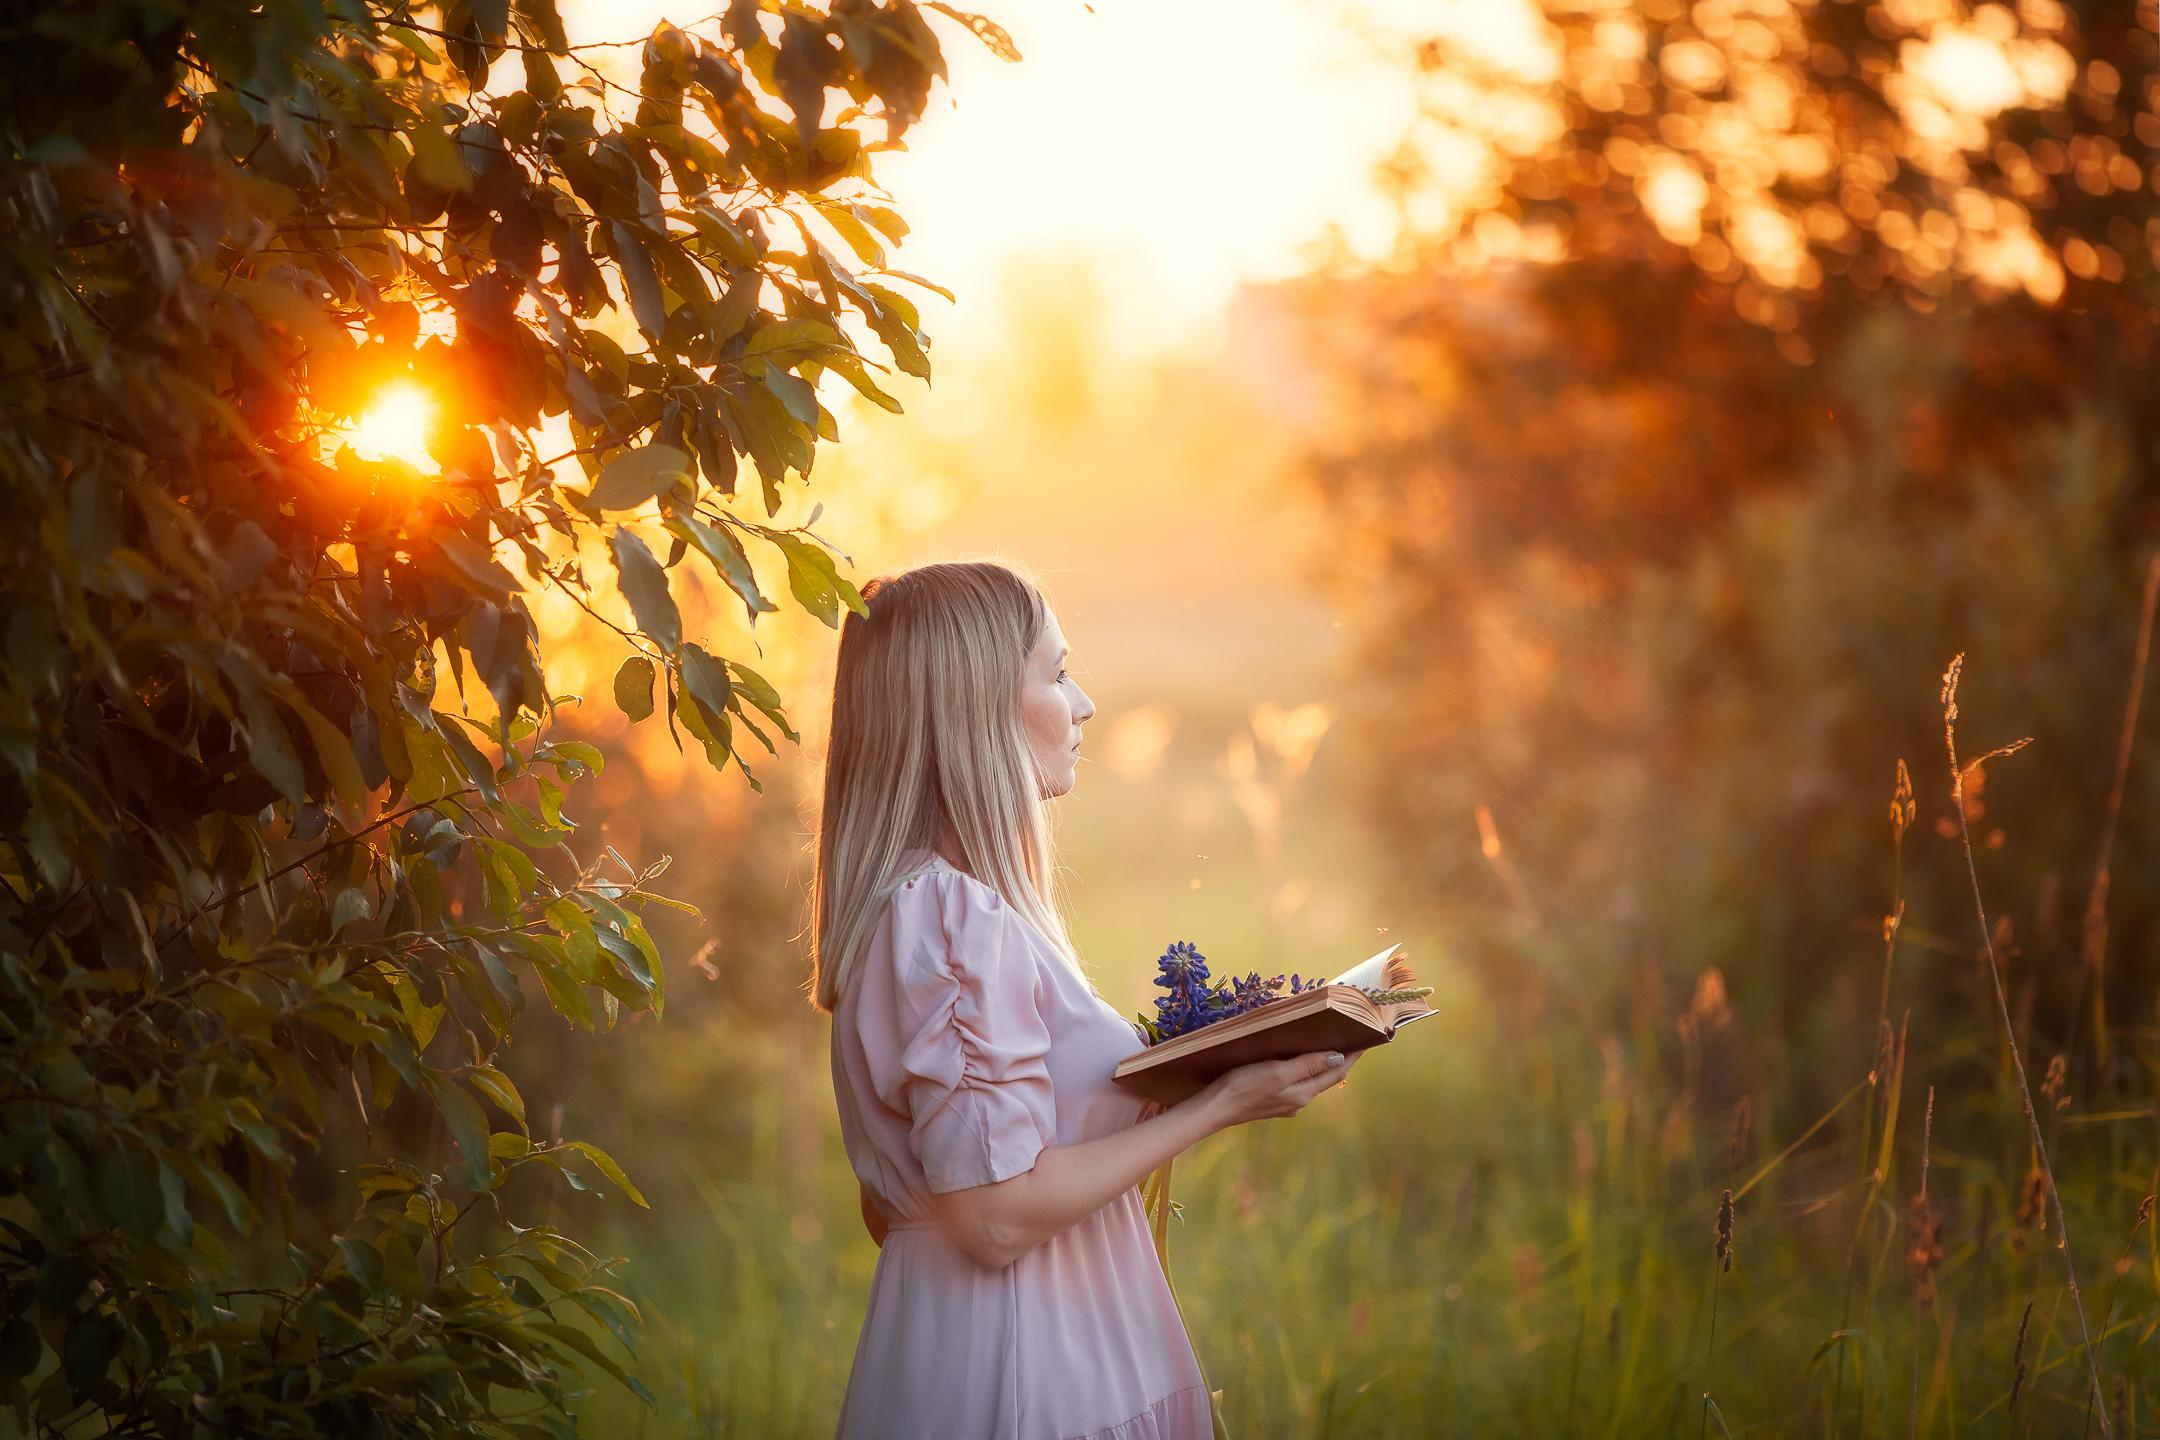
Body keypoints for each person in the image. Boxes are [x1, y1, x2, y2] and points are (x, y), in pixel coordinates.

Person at [808, 560, 1362, 1440]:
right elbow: (991, 1220)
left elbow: (901, 1207)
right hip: (1023, 1371)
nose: (1085, 702)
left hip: (1051, 1344)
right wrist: (1221, 1103)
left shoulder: (943, 911)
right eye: (1057, 673)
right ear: (978, 709)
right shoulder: (947, 917)